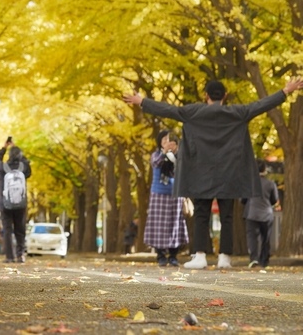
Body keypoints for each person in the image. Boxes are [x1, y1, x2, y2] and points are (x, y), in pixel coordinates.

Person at [124, 78, 303, 269]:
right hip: (229, 173)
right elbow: (261, 105)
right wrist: (285, 90)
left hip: (200, 173)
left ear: (206, 96)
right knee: (227, 216)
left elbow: (168, 109)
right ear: (225, 96)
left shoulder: (193, 112)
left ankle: (200, 256)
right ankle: (224, 258)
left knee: (201, 214)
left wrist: (141, 101)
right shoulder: (237, 113)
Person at [142, 130, 188, 266]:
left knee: (175, 224)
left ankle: (173, 255)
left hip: (176, 194)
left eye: (169, 140)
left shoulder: (179, 156)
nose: (167, 143)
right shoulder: (156, 155)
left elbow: (184, 167)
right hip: (158, 194)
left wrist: (177, 151)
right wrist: (164, 152)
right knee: (159, 226)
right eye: (164, 140)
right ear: (160, 143)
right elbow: (156, 163)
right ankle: (160, 255)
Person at [0, 140, 32, 263]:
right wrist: (16, 147)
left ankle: (9, 257)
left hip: (6, 204)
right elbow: (28, 166)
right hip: (21, 204)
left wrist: (4, 147)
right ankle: (20, 255)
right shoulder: (23, 168)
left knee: (7, 230)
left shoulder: (2, 167)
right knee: (20, 230)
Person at [243, 160, 279, 268]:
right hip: (266, 215)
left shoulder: (249, 183)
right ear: (264, 170)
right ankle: (264, 261)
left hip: (251, 214)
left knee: (252, 237)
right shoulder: (271, 184)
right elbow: (274, 200)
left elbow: (242, 199)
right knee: (265, 238)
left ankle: (254, 259)